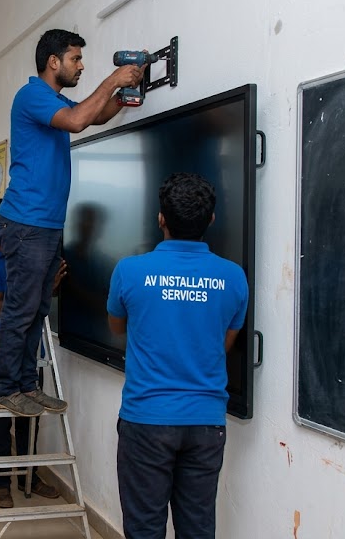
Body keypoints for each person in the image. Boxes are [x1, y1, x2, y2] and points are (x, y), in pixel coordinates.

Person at [0, 28, 145, 417]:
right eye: (76, 58)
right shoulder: (32, 96)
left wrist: (124, 94)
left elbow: (93, 116)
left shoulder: (55, 101)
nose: (81, 66)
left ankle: (25, 384)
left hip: (44, 224)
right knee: (21, 309)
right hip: (26, 221)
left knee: (38, 308)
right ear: (53, 62)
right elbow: (78, 121)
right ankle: (4, 387)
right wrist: (113, 78)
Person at [107, 173, 249, 538]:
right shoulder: (233, 277)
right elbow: (224, 343)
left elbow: (116, 327)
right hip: (206, 423)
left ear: (161, 218)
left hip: (146, 419)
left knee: (143, 528)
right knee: (198, 528)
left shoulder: (130, 270)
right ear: (211, 219)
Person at [0, 199, 64, 509]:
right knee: (1, 423)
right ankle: (1, 483)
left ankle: (28, 475)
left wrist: (43, 291)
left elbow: (33, 304)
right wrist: (36, 293)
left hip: (30, 351)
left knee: (30, 420)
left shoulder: (31, 257)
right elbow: (0, 306)